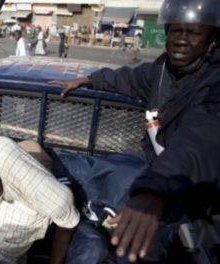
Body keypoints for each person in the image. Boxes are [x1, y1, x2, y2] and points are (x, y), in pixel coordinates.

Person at [48, 0, 220, 262]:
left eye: (194, 33)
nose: (182, 40)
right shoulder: (163, 70)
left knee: (135, 249)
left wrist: (156, 192)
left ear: (211, 40)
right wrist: (91, 79)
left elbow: (198, 140)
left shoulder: (214, 84)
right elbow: (129, 78)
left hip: (191, 191)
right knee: (65, 164)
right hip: (152, 171)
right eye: (176, 31)